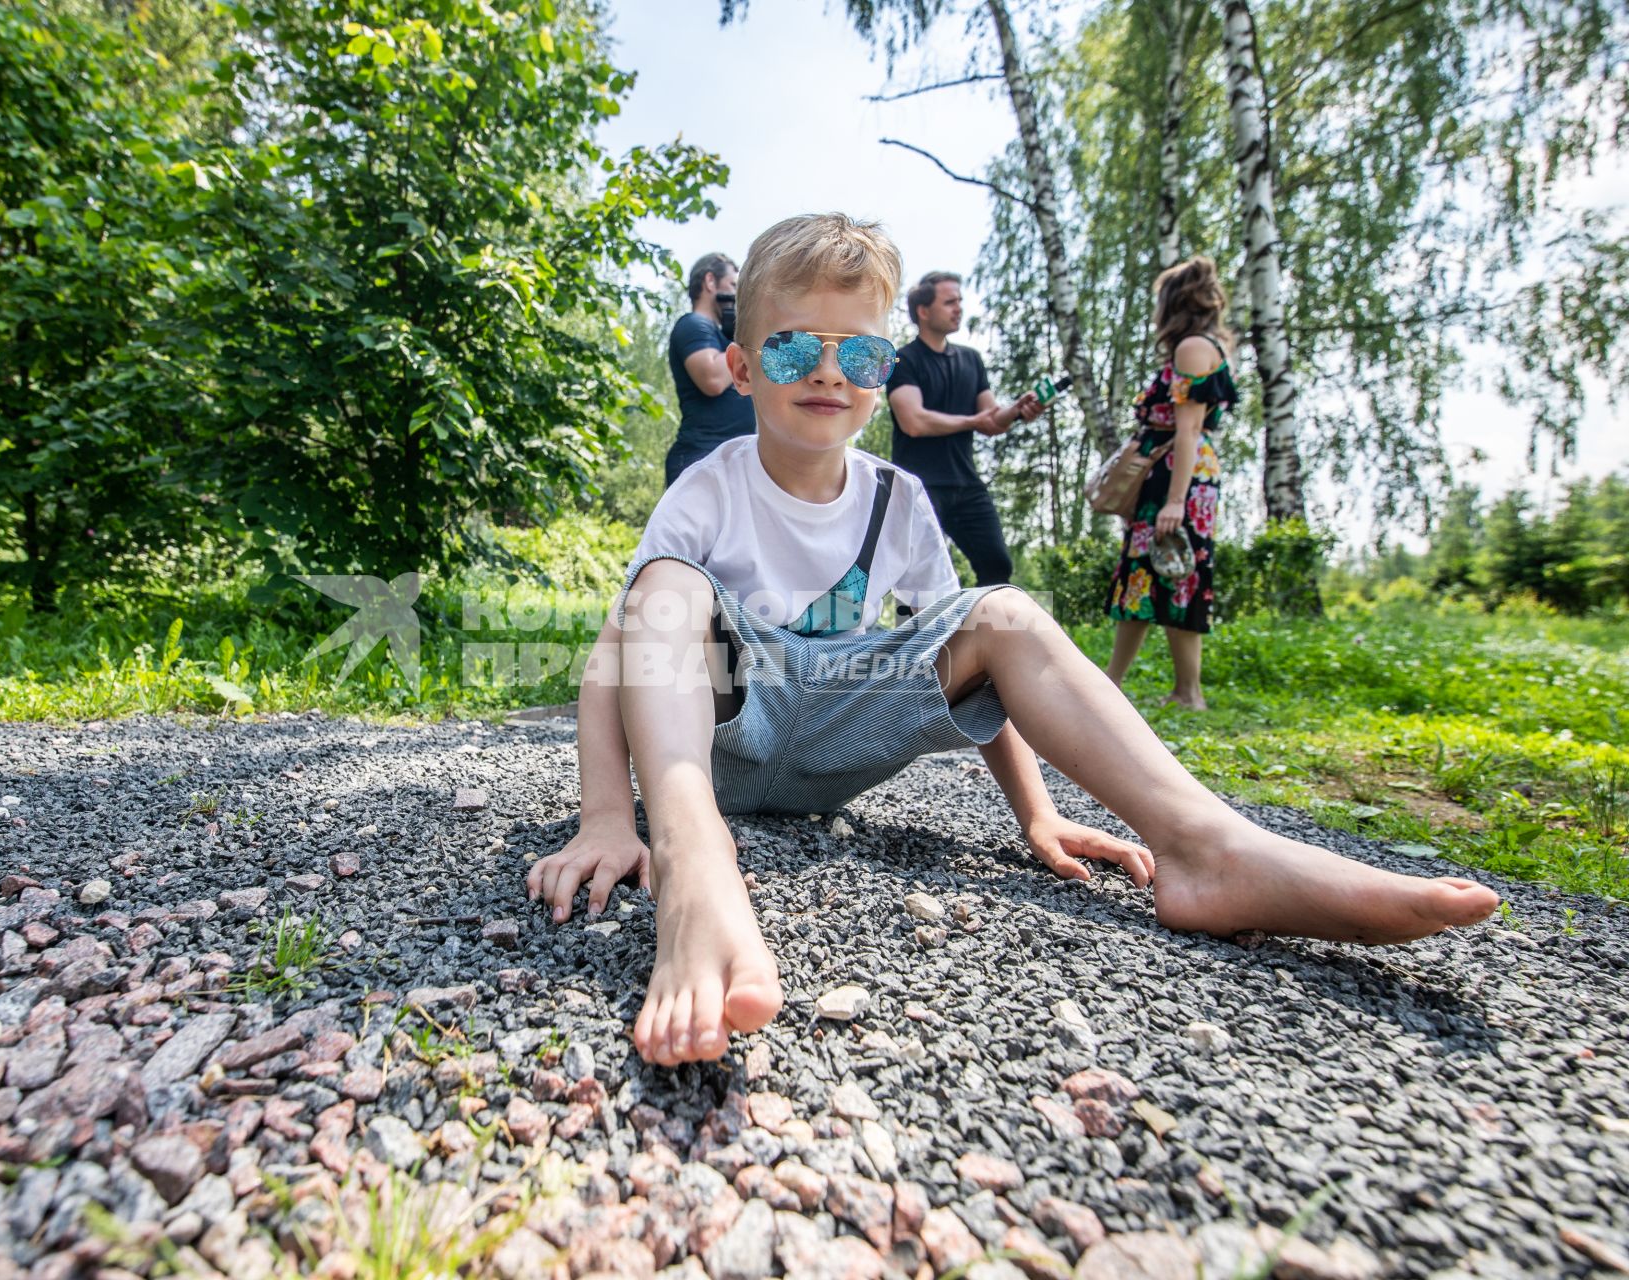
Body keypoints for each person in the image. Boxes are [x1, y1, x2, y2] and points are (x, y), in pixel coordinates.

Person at [527, 214, 1498, 1068]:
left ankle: (1208, 847)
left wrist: (1034, 815)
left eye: (858, 355)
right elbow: (617, 651)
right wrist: (612, 815)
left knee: (1005, 608)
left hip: (844, 728)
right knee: (654, 589)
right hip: (725, 737)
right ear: (741, 368)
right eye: (790, 351)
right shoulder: (709, 486)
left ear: (883, 373)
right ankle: (699, 859)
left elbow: (976, 659)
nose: (827, 372)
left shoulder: (899, 500)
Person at [1104, 257, 1234, 708]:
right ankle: (1116, 683)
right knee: (1145, 573)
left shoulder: (1194, 349)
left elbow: (1189, 432)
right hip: (1171, 477)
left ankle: (1187, 692)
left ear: (1174, 301)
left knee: (1177, 571)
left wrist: (1174, 502)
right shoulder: (1190, 347)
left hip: (1184, 481)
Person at [886, 271, 1043, 586]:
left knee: (997, 564)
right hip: (920, 486)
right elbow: (914, 422)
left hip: (966, 484)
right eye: (950, 302)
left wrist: (1017, 411)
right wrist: (974, 421)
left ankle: (980, 635)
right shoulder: (903, 360)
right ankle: (918, 636)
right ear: (924, 311)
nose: (959, 308)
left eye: (960, 301)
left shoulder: (971, 359)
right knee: (916, 577)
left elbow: (992, 421)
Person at [664, 252, 756, 487]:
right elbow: (712, 379)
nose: (737, 295)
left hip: (726, 458)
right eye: (733, 285)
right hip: (700, 456)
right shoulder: (693, 324)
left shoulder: (722, 337)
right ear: (710, 282)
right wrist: (751, 336)